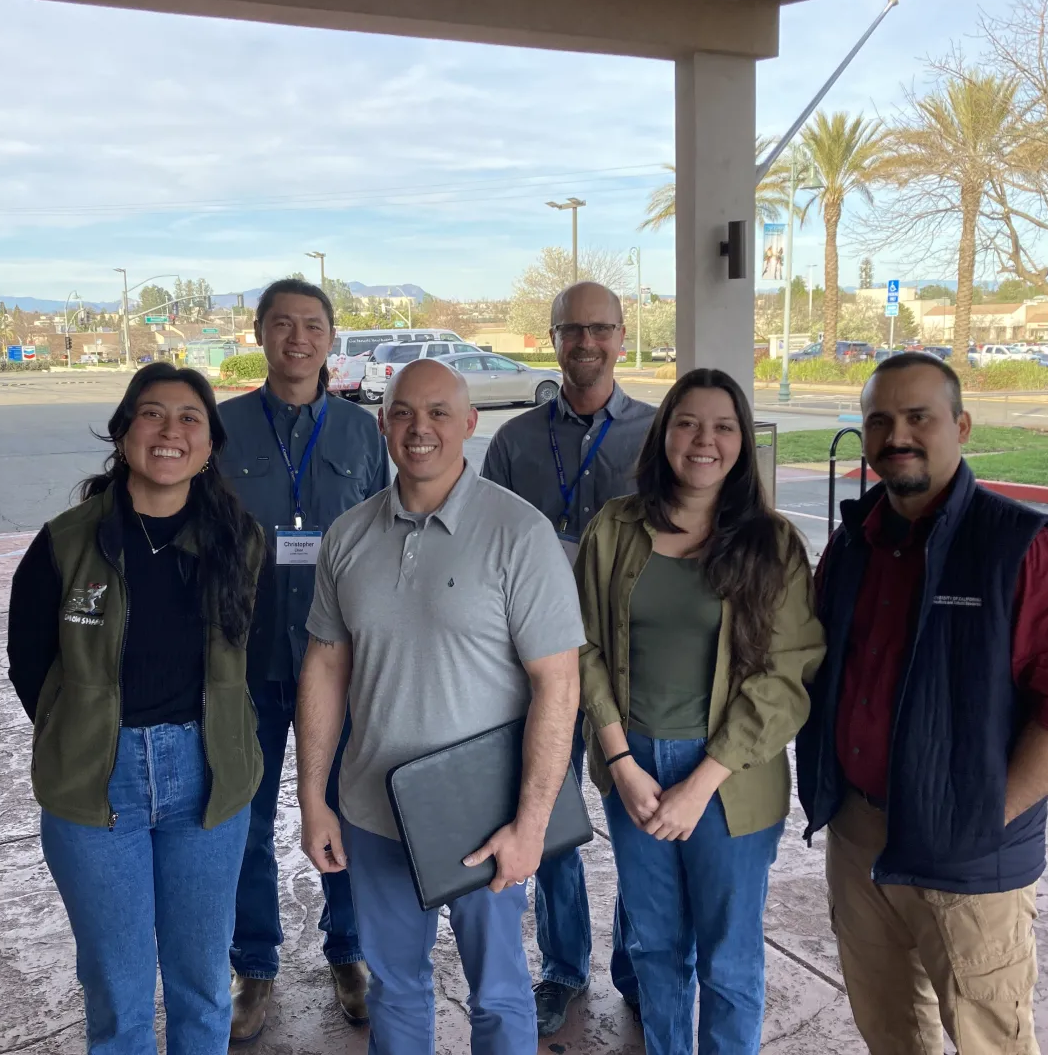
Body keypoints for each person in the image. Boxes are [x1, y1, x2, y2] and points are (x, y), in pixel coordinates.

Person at [797, 352, 1048, 1055]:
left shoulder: (1021, 548)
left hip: (970, 859)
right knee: (889, 1033)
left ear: (961, 426)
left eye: (919, 418)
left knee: (989, 1038)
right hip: (860, 838)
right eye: (880, 420)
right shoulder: (854, 544)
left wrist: (982, 819)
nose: (896, 435)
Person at [295, 358, 584, 1054]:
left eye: (437, 414)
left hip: (484, 816)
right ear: (382, 424)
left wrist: (531, 825)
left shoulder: (520, 534)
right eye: (401, 413)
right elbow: (326, 666)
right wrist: (313, 798)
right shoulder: (348, 536)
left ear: (469, 425)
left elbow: (559, 684)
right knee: (395, 988)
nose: (418, 429)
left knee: (500, 992)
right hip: (374, 810)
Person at [6, 363, 264, 1055]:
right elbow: (29, 661)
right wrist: (81, 733)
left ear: (209, 445)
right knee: (117, 995)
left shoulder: (239, 542)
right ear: (123, 433)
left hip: (207, 782)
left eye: (190, 418)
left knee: (203, 982)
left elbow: (253, 657)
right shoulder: (65, 543)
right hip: (97, 785)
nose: (170, 430)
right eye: (151, 414)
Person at [575, 367, 824, 1054]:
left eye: (722, 426)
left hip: (731, 781)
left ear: (742, 442)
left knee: (728, 959)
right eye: (687, 422)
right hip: (636, 769)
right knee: (655, 949)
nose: (703, 440)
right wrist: (620, 761)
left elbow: (785, 675)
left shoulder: (771, 546)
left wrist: (702, 780)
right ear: (664, 434)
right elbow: (582, 646)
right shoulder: (614, 529)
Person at [216, 278, 389, 1043]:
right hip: (245, 665)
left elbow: (390, 542)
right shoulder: (220, 431)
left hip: (340, 662)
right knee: (244, 823)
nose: (297, 337)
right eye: (281, 324)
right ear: (259, 334)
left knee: (348, 812)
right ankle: (254, 965)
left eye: (312, 325)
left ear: (330, 337)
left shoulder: (362, 433)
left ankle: (349, 952)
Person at [480, 280, 655, 1034]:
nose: (585, 343)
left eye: (599, 329)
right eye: (570, 330)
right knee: (546, 821)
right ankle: (561, 969)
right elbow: (482, 545)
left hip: (631, 664)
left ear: (622, 336)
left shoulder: (657, 435)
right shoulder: (515, 443)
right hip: (532, 666)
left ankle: (639, 965)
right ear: (552, 339)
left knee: (637, 817)